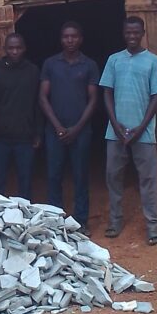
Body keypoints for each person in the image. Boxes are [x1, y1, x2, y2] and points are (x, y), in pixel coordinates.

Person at [100, 15, 157, 245]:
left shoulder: (153, 61)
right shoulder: (114, 60)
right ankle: (115, 221)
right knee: (113, 176)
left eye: (136, 32)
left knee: (148, 180)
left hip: (144, 132)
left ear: (142, 34)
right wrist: (116, 124)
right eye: (128, 32)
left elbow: (156, 96)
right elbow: (107, 92)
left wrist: (141, 127)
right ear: (123, 33)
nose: (132, 36)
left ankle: (153, 227)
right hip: (115, 132)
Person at [39, 21, 99, 234]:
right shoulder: (50, 64)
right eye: (66, 36)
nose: (70, 40)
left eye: (74, 36)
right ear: (61, 39)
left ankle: (81, 221)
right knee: (54, 175)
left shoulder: (89, 65)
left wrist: (77, 128)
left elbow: (93, 99)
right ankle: (55, 221)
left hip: (81, 131)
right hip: (54, 131)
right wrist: (58, 126)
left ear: (80, 39)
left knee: (81, 176)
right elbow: (43, 97)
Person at [0, 33, 42, 201]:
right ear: (5, 49)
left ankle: (24, 214)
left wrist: (38, 132)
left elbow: (38, 103)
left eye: (18, 48)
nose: (15, 51)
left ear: (24, 49)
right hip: (0, 138)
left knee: (25, 180)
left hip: (25, 137)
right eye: (11, 48)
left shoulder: (33, 71)